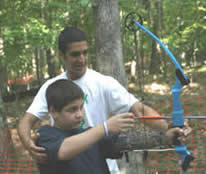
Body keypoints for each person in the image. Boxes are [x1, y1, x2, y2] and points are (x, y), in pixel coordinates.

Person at [17, 27, 189, 174]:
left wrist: (169, 131)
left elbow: (138, 117)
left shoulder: (103, 83)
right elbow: (29, 122)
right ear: (62, 55)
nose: (82, 59)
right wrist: (28, 144)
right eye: (75, 54)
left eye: (85, 53)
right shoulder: (48, 133)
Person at [37, 79, 187, 174]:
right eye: (72, 109)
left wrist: (166, 136)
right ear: (53, 111)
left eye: (81, 107)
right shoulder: (44, 136)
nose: (79, 114)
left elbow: (126, 142)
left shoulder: (90, 135)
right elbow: (63, 151)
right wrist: (106, 127)